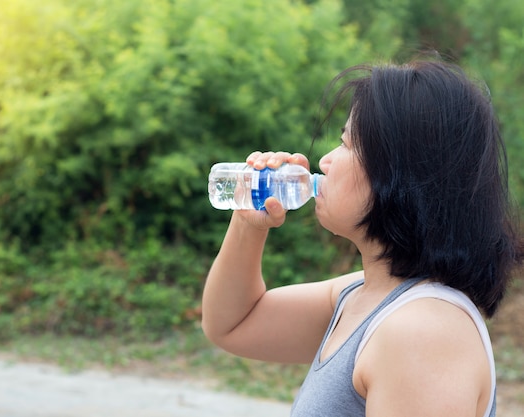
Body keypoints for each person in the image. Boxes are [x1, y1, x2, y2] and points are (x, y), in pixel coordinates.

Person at [201, 59, 524, 417]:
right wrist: (249, 223)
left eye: (346, 143)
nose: (324, 162)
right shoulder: (365, 296)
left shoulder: (423, 332)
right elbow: (233, 324)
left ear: (401, 171)